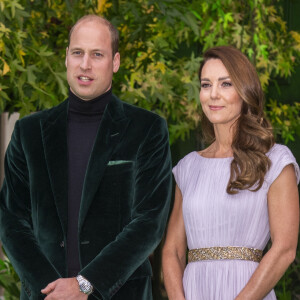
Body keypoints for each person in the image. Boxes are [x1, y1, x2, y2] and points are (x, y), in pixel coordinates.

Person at [0, 15, 172, 300]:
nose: (85, 64)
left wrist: (85, 284)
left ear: (115, 62)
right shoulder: (28, 133)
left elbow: (149, 221)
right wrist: (53, 289)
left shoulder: (147, 129)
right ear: (66, 58)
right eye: (78, 52)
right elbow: (11, 220)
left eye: (97, 54)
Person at [162, 45, 299, 300]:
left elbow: (285, 249)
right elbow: (173, 251)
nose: (213, 94)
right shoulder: (188, 167)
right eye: (206, 84)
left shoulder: (276, 160)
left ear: (245, 90)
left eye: (225, 84)